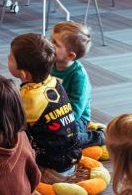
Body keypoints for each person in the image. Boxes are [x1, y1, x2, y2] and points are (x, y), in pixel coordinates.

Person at [8, 32, 82, 182]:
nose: (8, 58)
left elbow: (11, 128)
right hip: (71, 157)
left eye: (10, 58)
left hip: (51, 169)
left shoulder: (28, 99)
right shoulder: (54, 82)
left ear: (23, 74)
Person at [51, 21, 105, 148]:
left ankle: (98, 137)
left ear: (70, 55)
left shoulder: (79, 76)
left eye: (55, 44)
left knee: (64, 137)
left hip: (76, 118)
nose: (49, 45)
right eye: (51, 40)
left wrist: (60, 123)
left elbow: (76, 108)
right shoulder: (50, 63)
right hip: (53, 112)